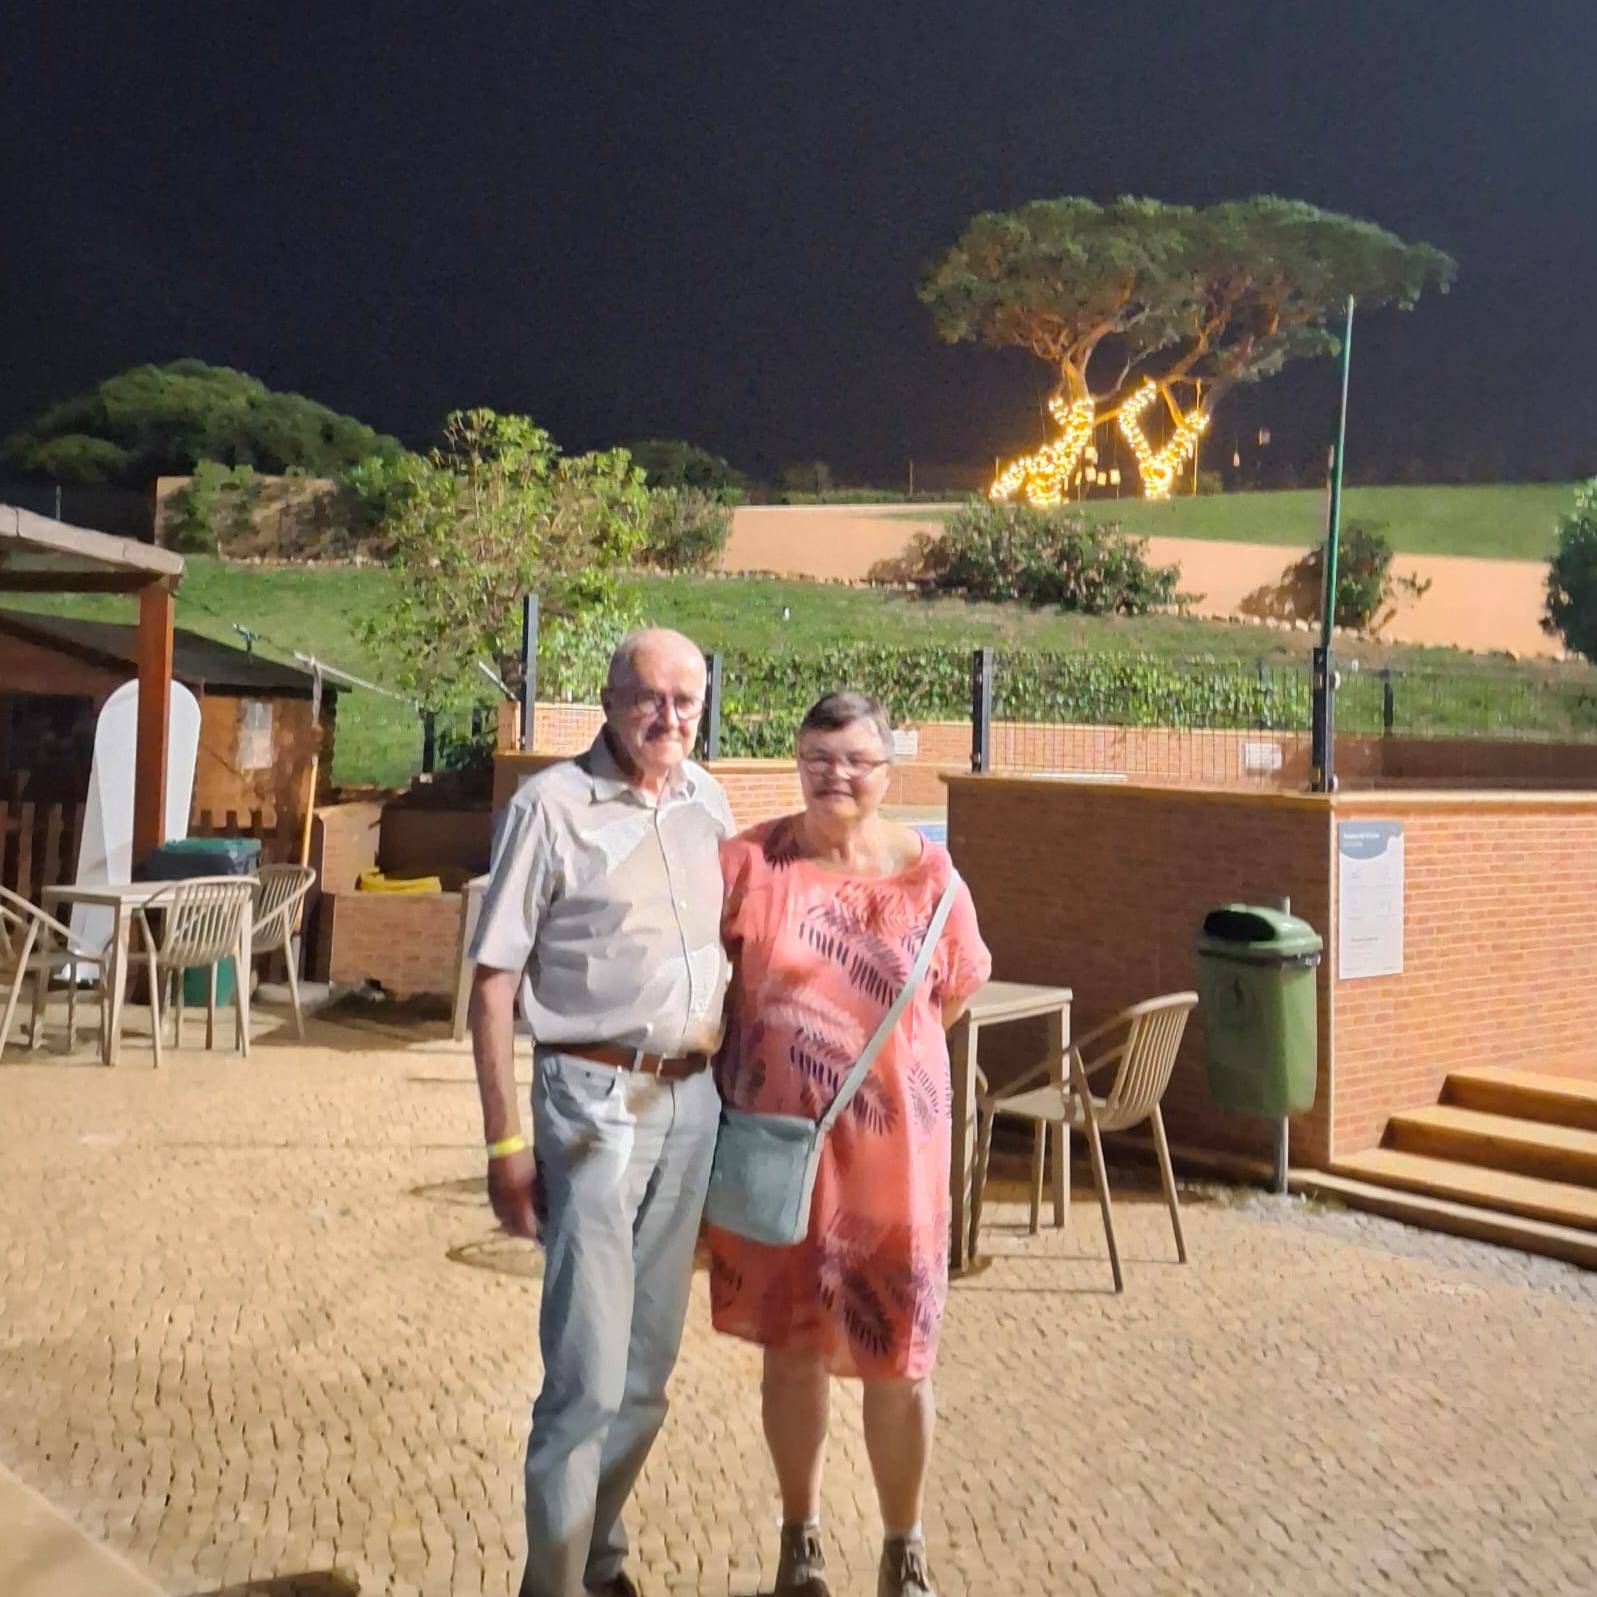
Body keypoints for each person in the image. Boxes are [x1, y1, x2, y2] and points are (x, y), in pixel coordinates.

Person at [708, 691, 992, 1597]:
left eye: (857, 761)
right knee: (791, 1350)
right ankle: (800, 1542)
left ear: (887, 770)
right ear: (797, 761)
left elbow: (951, 997)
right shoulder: (748, 865)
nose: (837, 775)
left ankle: (903, 1546)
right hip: (782, 1160)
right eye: (818, 758)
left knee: (898, 1361)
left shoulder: (934, 880)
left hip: (895, 1169)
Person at [468, 628, 733, 1597]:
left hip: (693, 1100)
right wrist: (505, 1141)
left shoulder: (708, 803)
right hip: (591, 1104)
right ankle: (553, 1584)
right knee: (586, 1373)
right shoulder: (550, 807)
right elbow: (491, 985)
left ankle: (596, 1555)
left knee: (647, 1372)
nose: (668, 716)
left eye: (685, 700)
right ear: (611, 699)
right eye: (649, 697)